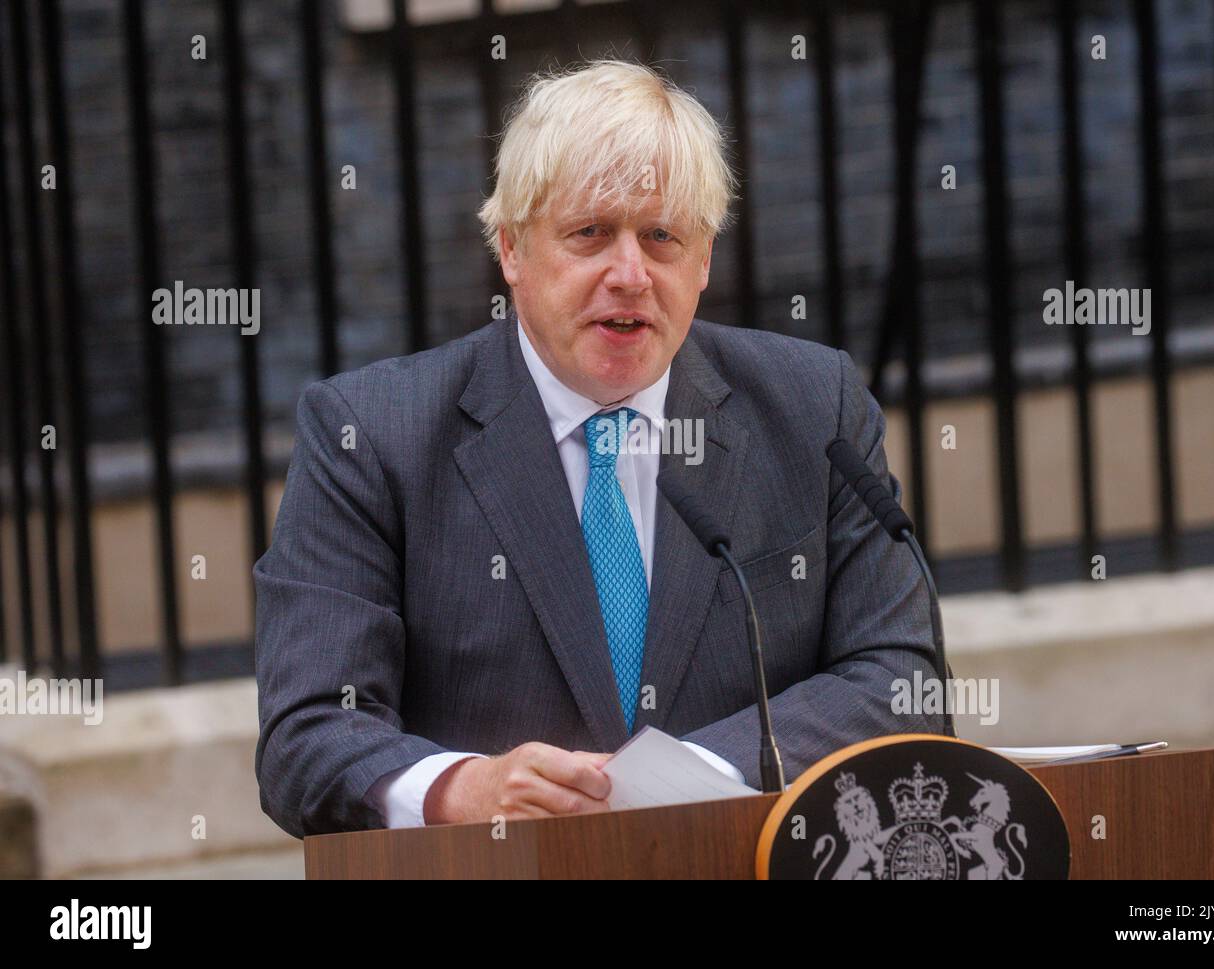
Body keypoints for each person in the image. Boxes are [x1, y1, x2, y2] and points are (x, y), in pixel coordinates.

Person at [254, 59, 945, 839]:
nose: (630, 274)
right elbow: (305, 735)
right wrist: (464, 789)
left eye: (661, 238)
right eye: (590, 234)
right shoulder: (370, 433)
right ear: (511, 249)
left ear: (706, 258)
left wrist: (698, 777)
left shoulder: (814, 405)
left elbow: (903, 677)